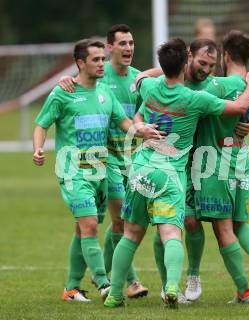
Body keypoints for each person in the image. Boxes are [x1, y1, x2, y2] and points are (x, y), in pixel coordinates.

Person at [103, 38, 249, 308]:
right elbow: (238, 108)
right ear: (187, 61)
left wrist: (141, 127)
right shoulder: (194, 99)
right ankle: (173, 287)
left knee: (130, 235)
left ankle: (115, 295)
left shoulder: (150, 88)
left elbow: (141, 78)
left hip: (141, 169)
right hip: (171, 175)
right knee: (172, 235)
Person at [33, 39, 156, 302]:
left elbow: (122, 122)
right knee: (89, 225)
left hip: (101, 169)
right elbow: (42, 124)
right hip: (73, 169)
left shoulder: (104, 92)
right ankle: (103, 283)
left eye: (103, 59)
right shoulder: (62, 92)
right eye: (96, 59)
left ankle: (71, 288)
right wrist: (38, 148)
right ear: (80, 63)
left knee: (85, 228)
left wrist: (140, 130)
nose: (102, 64)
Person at [58, 24, 149, 298]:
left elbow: (152, 101)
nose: (129, 48)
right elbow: (77, 85)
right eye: (122, 43)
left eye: (131, 43)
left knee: (92, 224)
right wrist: (67, 80)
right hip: (101, 161)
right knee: (115, 218)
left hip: (130, 158)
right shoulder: (97, 75)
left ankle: (75, 285)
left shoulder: (138, 79)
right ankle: (124, 280)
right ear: (109, 48)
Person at [193, 30, 249, 303]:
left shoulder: (217, 85)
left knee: (223, 229)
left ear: (225, 55)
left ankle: (244, 291)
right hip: (241, 158)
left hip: (215, 162)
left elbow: (186, 87)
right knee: (242, 223)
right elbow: (242, 121)